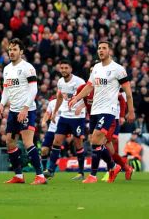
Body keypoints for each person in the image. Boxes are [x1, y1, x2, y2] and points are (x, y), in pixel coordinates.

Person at [69, 41, 135, 183]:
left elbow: (128, 93)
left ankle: (93, 175)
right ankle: (114, 166)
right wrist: (76, 98)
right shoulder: (96, 68)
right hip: (95, 110)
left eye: (104, 48)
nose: (101, 50)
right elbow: (89, 87)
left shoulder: (118, 69)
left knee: (97, 139)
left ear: (110, 50)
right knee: (95, 142)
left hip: (109, 110)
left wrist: (130, 111)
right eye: (99, 48)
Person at [0, 38, 46, 185]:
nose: (11, 52)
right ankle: (19, 176)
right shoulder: (7, 69)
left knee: (27, 143)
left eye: (14, 50)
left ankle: (40, 176)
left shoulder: (28, 67)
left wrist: (25, 108)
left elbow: (34, 89)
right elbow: (6, 88)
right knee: (10, 143)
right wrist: (1, 104)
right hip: (13, 111)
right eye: (10, 50)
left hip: (27, 110)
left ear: (21, 52)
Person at [44, 59, 87, 180]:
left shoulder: (79, 81)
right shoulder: (60, 82)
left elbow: (88, 95)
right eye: (61, 68)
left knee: (78, 143)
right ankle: (51, 170)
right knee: (56, 141)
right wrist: (54, 112)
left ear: (71, 69)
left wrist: (81, 107)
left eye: (66, 68)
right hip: (64, 116)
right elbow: (59, 97)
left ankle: (81, 172)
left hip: (77, 117)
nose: (63, 70)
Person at [40, 98, 60, 172]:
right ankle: (44, 169)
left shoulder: (68, 102)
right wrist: (44, 121)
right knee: (44, 149)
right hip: (51, 129)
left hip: (62, 130)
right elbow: (48, 113)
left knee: (55, 149)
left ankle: (51, 169)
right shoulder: (52, 102)